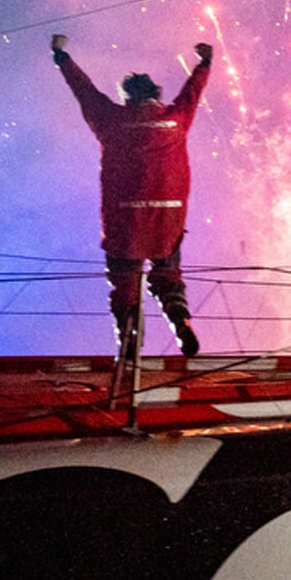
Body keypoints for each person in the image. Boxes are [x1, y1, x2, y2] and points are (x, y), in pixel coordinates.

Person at [52, 34, 213, 358]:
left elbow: (84, 91)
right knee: (168, 276)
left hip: (125, 222)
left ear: (127, 98)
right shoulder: (175, 120)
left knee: (124, 284)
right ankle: (181, 320)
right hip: (167, 220)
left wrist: (61, 57)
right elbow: (192, 94)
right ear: (156, 95)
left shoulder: (110, 120)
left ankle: (127, 337)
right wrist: (205, 63)